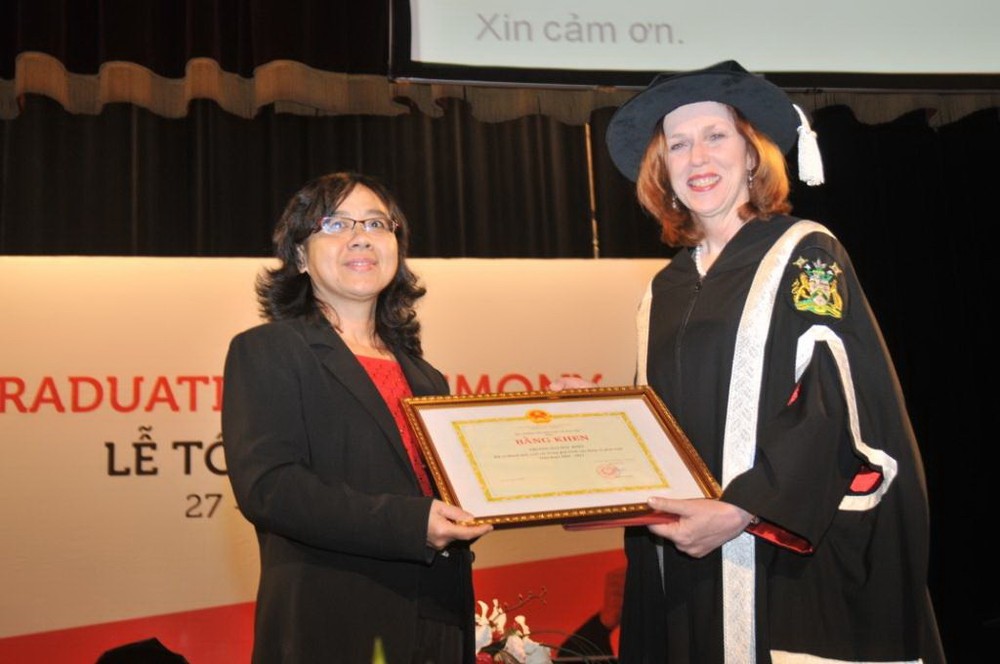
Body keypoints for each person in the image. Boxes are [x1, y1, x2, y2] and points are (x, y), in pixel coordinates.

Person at [557, 61, 946, 663]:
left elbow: (833, 400)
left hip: (776, 548)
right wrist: (601, 413)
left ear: (752, 154)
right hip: (686, 551)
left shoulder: (806, 252)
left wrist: (741, 509)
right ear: (662, 169)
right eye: (678, 145)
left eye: (716, 136)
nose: (697, 159)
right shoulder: (666, 287)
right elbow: (671, 417)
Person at [221, 171, 493, 664]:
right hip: (331, 625)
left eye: (376, 222)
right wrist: (413, 523)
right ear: (300, 256)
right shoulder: (269, 351)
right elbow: (271, 489)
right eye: (335, 223)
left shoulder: (427, 378)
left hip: (438, 620)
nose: (361, 235)